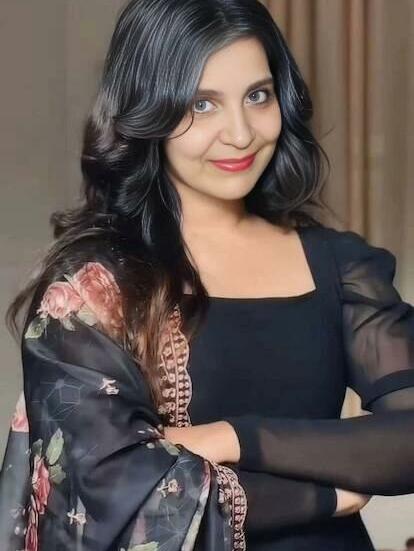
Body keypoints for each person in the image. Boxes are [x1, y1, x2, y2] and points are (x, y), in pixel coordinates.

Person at [0, 0, 414, 549]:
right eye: (202, 104)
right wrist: (325, 497)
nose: (240, 134)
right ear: (148, 111)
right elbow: (105, 491)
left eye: (257, 96)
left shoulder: (340, 265)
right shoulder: (97, 285)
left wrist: (233, 437)